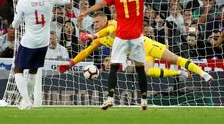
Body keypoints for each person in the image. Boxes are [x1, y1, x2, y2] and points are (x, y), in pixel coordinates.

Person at [77, 0, 166, 110]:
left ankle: (110, 98)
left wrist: (86, 12)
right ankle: (144, 100)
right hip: (136, 37)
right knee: (140, 68)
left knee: (114, 66)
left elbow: (101, 4)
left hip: (121, 36)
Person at [59, 13, 213, 81]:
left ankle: (203, 73)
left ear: (105, 20)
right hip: (139, 55)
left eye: (98, 22)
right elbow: (86, 51)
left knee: (176, 59)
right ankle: (179, 73)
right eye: (94, 23)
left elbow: (110, 30)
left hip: (147, 45)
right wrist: (70, 64)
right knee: (147, 72)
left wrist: (93, 35)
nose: (96, 25)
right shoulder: (100, 38)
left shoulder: (112, 24)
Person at [12, 0, 70, 109]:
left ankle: (26, 101)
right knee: (33, 71)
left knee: (18, 69)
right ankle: (26, 101)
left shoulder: (23, 2)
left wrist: (15, 23)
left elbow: (15, 24)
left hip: (29, 42)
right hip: (44, 42)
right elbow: (66, 0)